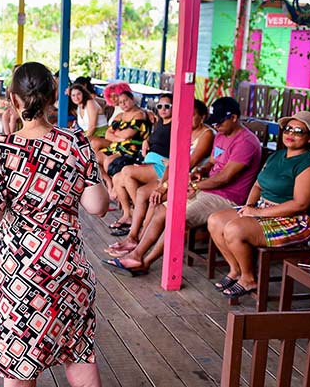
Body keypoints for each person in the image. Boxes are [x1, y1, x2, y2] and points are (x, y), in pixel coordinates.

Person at [0, 62, 108, 387]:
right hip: (67, 274)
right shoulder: (74, 143)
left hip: (21, 278)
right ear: (53, 97)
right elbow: (97, 206)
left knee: (20, 369)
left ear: (13, 100)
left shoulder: (1, 150)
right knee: (79, 359)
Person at [102, 97, 262, 277]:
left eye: (219, 121)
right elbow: (211, 162)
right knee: (162, 210)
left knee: (176, 217)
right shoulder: (221, 135)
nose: (216, 125)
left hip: (227, 197)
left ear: (233, 117)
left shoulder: (246, 142)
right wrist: (201, 170)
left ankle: (144, 262)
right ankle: (137, 253)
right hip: (206, 189)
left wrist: (194, 184)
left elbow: (225, 178)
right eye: (214, 122)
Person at [208, 111, 310, 298]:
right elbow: (258, 184)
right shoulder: (277, 156)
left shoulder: (309, 165)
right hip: (262, 209)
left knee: (234, 230)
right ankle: (236, 270)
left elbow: (300, 204)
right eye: (287, 129)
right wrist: (249, 206)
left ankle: (248, 279)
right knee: (215, 220)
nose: (290, 134)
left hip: (294, 220)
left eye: (298, 131)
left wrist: (257, 213)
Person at [106, 99, 214, 252]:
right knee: (142, 192)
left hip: (190, 180)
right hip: (174, 176)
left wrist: (163, 187)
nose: (187, 119)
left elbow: (187, 164)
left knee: (154, 200)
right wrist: (161, 184)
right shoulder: (184, 131)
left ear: (202, 117)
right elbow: (173, 163)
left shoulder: (206, 134)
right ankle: (132, 236)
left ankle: (139, 240)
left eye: (192, 115)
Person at [93, 90, 151, 196]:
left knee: (108, 161)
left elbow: (128, 134)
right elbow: (107, 134)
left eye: (126, 101)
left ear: (132, 100)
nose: (123, 104)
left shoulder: (139, 114)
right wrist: (119, 138)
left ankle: (116, 188)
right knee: (94, 157)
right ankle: (109, 183)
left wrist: (116, 133)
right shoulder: (120, 116)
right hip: (118, 145)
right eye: (120, 102)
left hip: (133, 148)